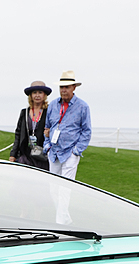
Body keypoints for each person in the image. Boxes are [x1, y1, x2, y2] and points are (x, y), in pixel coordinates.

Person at [44, 71, 91, 224]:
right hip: (54, 152)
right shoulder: (52, 105)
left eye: (67, 87)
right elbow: (47, 127)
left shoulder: (83, 106)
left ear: (74, 88)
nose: (63, 90)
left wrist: (76, 151)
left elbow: (86, 131)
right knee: (53, 188)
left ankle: (60, 223)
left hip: (70, 152)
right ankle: (65, 219)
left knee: (65, 188)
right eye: (61, 87)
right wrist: (47, 146)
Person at [9, 81, 51, 170]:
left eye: (40, 92)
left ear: (44, 95)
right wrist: (13, 154)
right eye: (34, 92)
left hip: (42, 155)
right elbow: (18, 134)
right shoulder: (24, 112)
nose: (37, 95)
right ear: (30, 95)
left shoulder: (49, 112)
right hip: (25, 155)